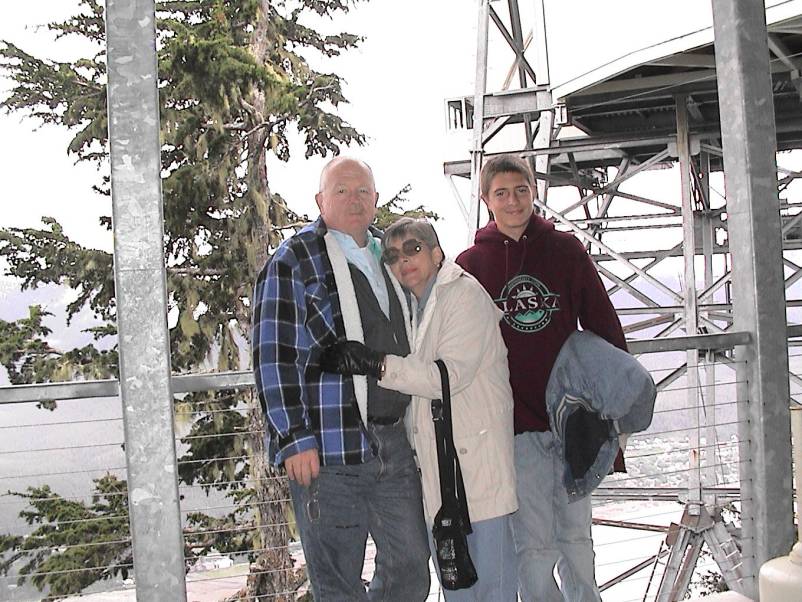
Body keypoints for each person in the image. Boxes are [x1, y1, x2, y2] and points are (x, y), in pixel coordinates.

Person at [251, 157, 431, 601]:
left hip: (394, 445)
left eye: (363, 191)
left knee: (411, 567)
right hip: (329, 449)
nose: (355, 199)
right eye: (342, 191)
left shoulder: (389, 256)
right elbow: (273, 354)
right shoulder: (293, 259)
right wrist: (294, 437)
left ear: (376, 198)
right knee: (336, 583)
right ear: (320, 200)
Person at [455, 154, 628, 602]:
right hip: (514, 427)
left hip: (574, 422)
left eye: (521, 190)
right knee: (532, 546)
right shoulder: (471, 265)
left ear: (534, 191)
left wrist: (617, 414)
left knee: (576, 538)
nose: (513, 201)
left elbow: (604, 328)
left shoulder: (566, 250)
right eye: (501, 193)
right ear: (485, 198)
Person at [320, 217, 518, 601]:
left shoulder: (463, 295)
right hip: (444, 482)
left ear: (437, 253)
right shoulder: (415, 308)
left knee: (493, 592)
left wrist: (374, 363)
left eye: (413, 248)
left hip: (478, 472)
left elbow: (446, 377)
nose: (403, 260)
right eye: (393, 255)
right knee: (459, 591)